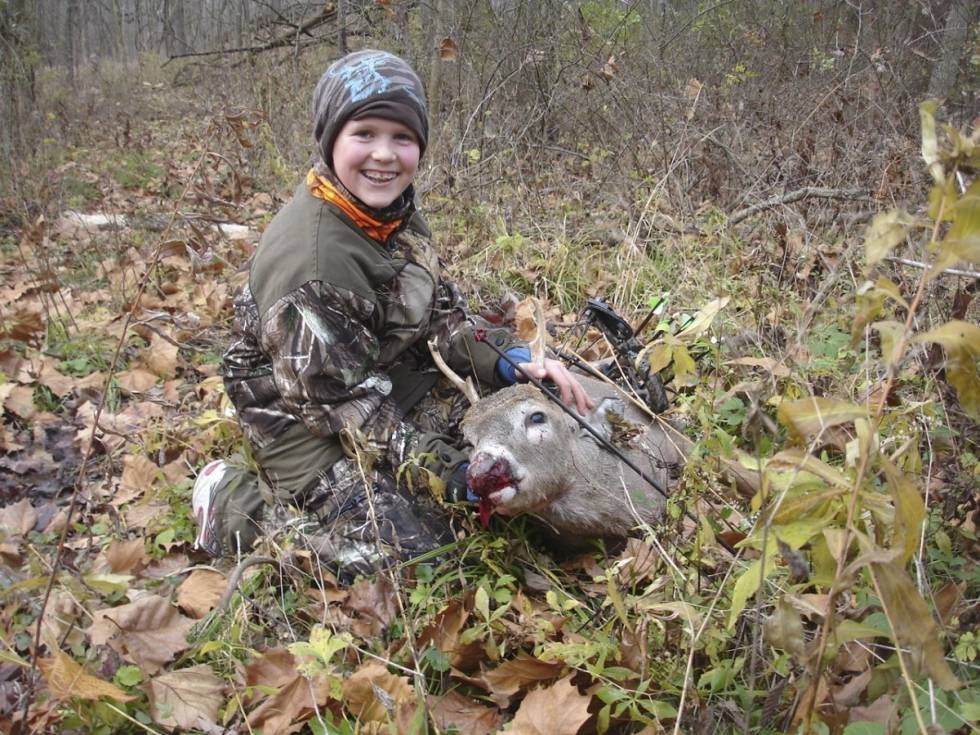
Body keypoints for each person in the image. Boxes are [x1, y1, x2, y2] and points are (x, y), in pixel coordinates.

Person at [192, 49, 590, 577]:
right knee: (418, 556)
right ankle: (236, 505)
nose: (384, 155)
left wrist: (509, 361)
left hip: (381, 368)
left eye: (402, 137)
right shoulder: (313, 264)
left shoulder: (388, 208)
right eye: (365, 134)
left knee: (509, 438)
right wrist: (444, 470)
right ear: (330, 138)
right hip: (301, 417)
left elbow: (440, 312)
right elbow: (342, 406)